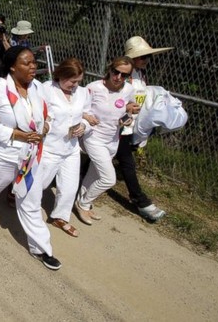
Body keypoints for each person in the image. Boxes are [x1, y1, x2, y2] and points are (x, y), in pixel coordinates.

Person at [0, 46, 61, 270]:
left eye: (34, 63)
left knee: (31, 201)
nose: (33, 67)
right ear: (12, 66)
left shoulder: (38, 88)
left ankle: (41, 248)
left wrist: (45, 126)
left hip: (30, 154)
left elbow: (50, 113)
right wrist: (14, 133)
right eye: (26, 63)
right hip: (1, 154)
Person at [75, 57, 140, 225]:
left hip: (112, 138)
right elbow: (76, 108)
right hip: (93, 136)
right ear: (110, 69)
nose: (118, 77)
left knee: (94, 173)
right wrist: (87, 116)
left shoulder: (128, 89)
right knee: (108, 178)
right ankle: (82, 204)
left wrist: (129, 116)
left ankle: (85, 203)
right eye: (115, 72)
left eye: (124, 75)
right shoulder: (94, 88)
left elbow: (129, 108)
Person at [35, 58, 90, 240]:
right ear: (61, 75)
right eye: (72, 81)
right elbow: (37, 114)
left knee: (69, 186)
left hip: (71, 148)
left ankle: (59, 216)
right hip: (50, 146)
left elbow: (87, 116)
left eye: (78, 81)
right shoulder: (46, 89)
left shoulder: (82, 93)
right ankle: (19, 199)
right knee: (39, 183)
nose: (75, 85)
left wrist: (83, 126)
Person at [118, 36, 170, 221]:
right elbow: (112, 101)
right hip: (119, 124)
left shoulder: (140, 74)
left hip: (133, 125)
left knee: (110, 157)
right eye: (142, 57)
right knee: (127, 162)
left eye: (148, 56)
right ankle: (140, 200)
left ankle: (79, 175)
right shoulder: (122, 75)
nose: (146, 60)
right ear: (132, 58)